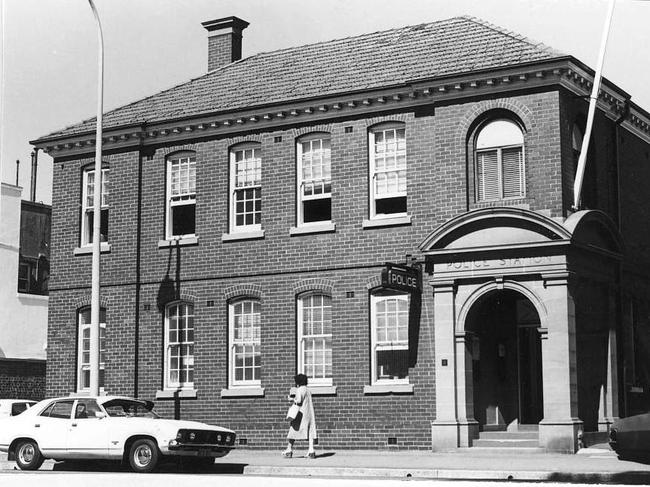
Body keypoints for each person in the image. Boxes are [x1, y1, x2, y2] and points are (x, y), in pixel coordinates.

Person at [282, 373, 317, 458]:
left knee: (293, 430)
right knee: (310, 431)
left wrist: (291, 399)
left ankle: (289, 449)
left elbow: (298, 401)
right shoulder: (308, 390)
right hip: (309, 413)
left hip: (301, 414)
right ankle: (311, 450)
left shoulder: (299, 390)